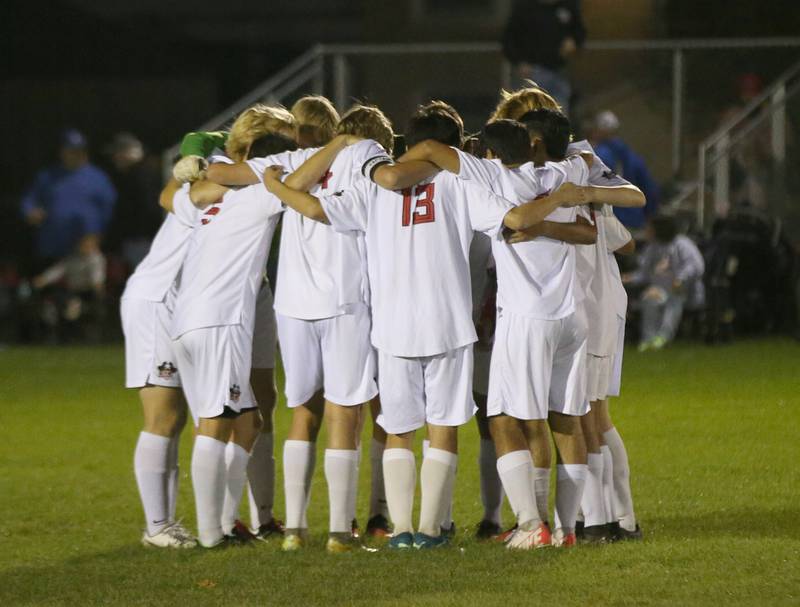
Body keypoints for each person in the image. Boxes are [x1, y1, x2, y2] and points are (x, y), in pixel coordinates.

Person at [262, 101, 596, 550]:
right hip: (449, 320)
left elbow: (318, 209)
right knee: (443, 426)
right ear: (451, 143)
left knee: (400, 427)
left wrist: (276, 188)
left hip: (393, 322)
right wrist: (557, 201)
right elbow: (513, 219)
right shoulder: (461, 182)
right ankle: (432, 529)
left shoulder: (375, 184)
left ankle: (400, 531)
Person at [20, 129, 117, 270]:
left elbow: (109, 211)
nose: (75, 154)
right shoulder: (47, 176)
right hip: (52, 247)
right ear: (62, 152)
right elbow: (28, 200)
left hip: (84, 251)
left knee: (84, 290)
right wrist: (29, 212)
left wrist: (98, 235)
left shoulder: (98, 178)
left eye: (79, 150)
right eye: (70, 150)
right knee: (49, 289)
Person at [626, 215, 705, 351]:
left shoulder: (682, 244)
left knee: (674, 299)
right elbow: (645, 273)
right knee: (649, 299)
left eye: (649, 229)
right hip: (659, 289)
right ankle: (648, 338)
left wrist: (680, 279)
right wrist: (628, 278)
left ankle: (664, 336)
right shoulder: (652, 248)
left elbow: (696, 266)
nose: (647, 231)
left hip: (683, 289)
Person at [501, 0, 586, 113]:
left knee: (560, 113)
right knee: (531, 115)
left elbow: (579, 31)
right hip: (532, 73)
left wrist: (574, 41)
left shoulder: (567, 6)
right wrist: (520, 62)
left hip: (559, 71)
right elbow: (508, 40)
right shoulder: (525, 8)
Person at [590, 111, 661, 229]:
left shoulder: (597, 155)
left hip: (606, 222)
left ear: (599, 131)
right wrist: (649, 214)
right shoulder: (632, 157)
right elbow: (650, 189)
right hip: (634, 220)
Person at [103, 133, 162, 271]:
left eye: (118, 153)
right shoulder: (138, 173)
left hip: (144, 240)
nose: (115, 158)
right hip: (144, 239)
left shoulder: (140, 175)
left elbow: (148, 209)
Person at [32, 233, 106, 342]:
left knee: (73, 308)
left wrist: (97, 288)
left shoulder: (96, 259)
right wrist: (43, 279)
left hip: (88, 294)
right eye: (83, 243)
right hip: (72, 292)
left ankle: (75, 337)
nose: (84, 246)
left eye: (88, 244)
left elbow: (97, 280)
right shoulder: (72, 257)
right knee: (51, 305)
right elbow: (58, 270)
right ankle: (53, 335)